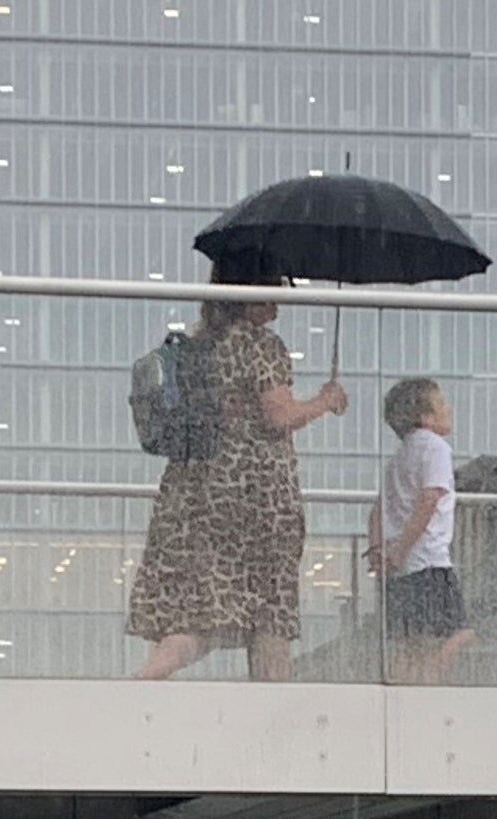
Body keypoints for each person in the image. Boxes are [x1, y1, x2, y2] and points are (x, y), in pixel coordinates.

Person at [129, 261, 347, 682]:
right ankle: (274, 708)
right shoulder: (259, 344)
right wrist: (325, 401)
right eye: (274, 287)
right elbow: (278, 416)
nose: (281, 298)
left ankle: (153, 671)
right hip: (255, 496)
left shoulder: (200, 343)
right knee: (269, 610)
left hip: (195, 492)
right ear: (250, 293)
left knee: (200, 613)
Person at [368, 376, 473, 684]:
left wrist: (379, 551)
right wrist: (400, 551)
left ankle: (402, 689)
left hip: (401, 570)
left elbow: (377, 511)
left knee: (409, 644)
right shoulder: (435, 448)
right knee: (457, 634)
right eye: (441, 404)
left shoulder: (399, 457)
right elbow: (429, 498)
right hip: (428, 562)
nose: (448, 409)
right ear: (425, 417)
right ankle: (426, 688)